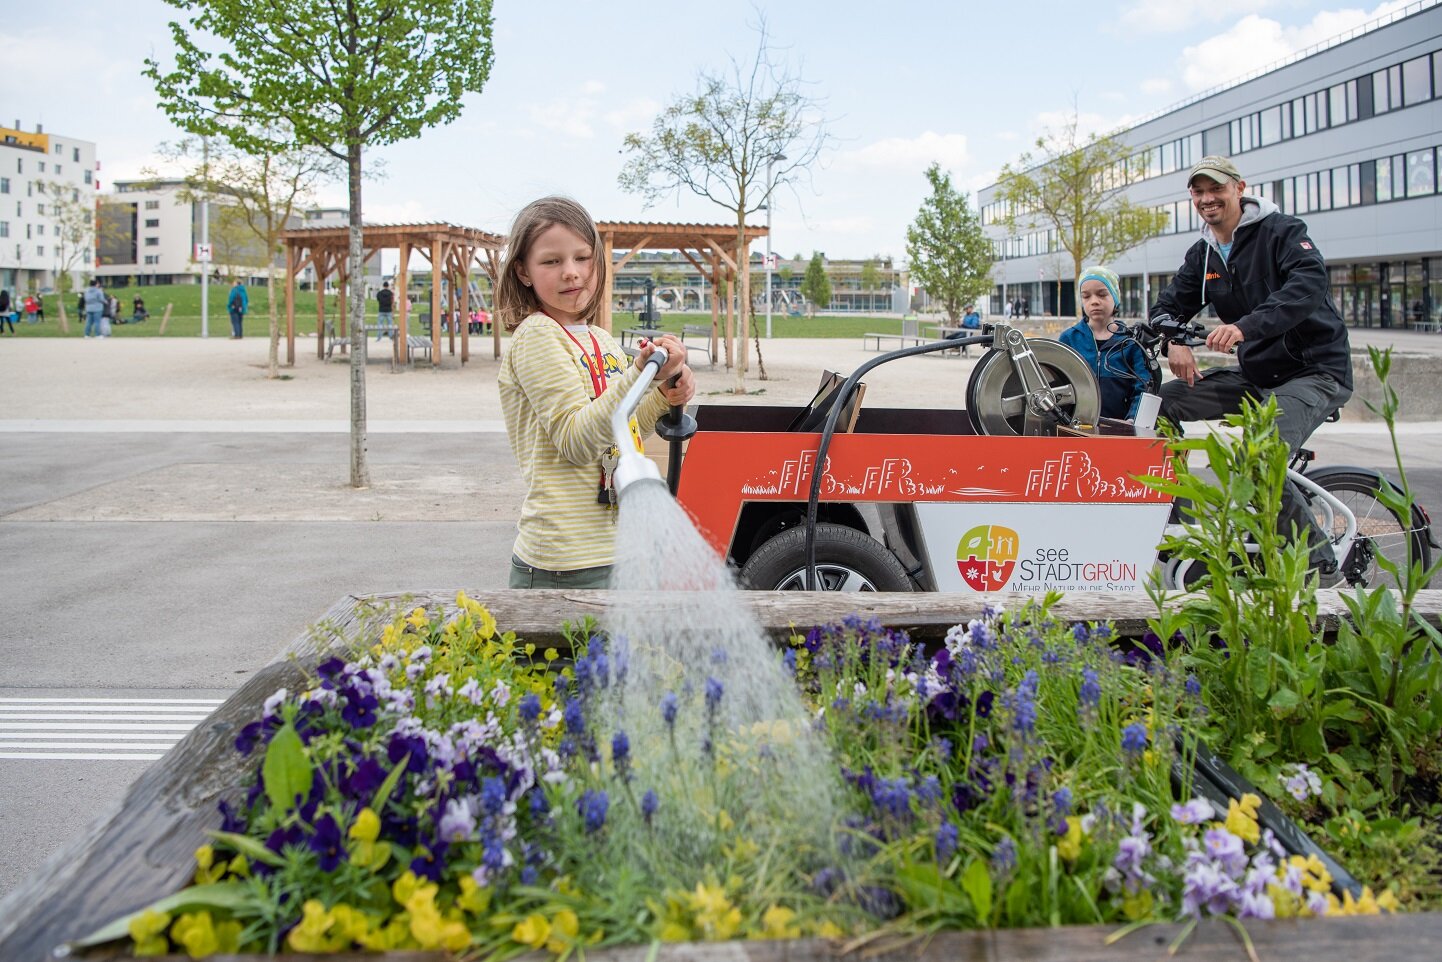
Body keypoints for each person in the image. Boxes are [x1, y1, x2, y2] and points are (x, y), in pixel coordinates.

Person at [1151, 154, 1352, 570]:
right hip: (1257, 374)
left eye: (1216, 189)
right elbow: (1166, 308)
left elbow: (1307, 286)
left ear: (1239, 189)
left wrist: (1245, 327)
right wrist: (1173, 340)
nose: (1208, 199)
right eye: (1199, 191)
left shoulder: (1281, 232)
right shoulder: (1204, 254)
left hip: (1314, 371)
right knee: (1158, 405)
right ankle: (1175, 528)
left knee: (1259, 457)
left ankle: (1318, 563)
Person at [496, 195, 695, 589]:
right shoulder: (537, 335)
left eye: (582, 257)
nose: (571, 272)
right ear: (522, 272)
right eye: (552, 261)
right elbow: (576, 440)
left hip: (616, 552)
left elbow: (623, 428)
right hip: (566, 564)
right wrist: (638, 370)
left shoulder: (600, 340)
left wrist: (663, 391)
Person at [1058, 266, 1151, 422]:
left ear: (1115, 297)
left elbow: (1142, 388)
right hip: (1077, 429)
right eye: (1086, 296)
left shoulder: (1131, 342)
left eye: (1102, 294)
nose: (1094, 301)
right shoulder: (1069, 339)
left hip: (1120, 430)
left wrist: (1133, 420)